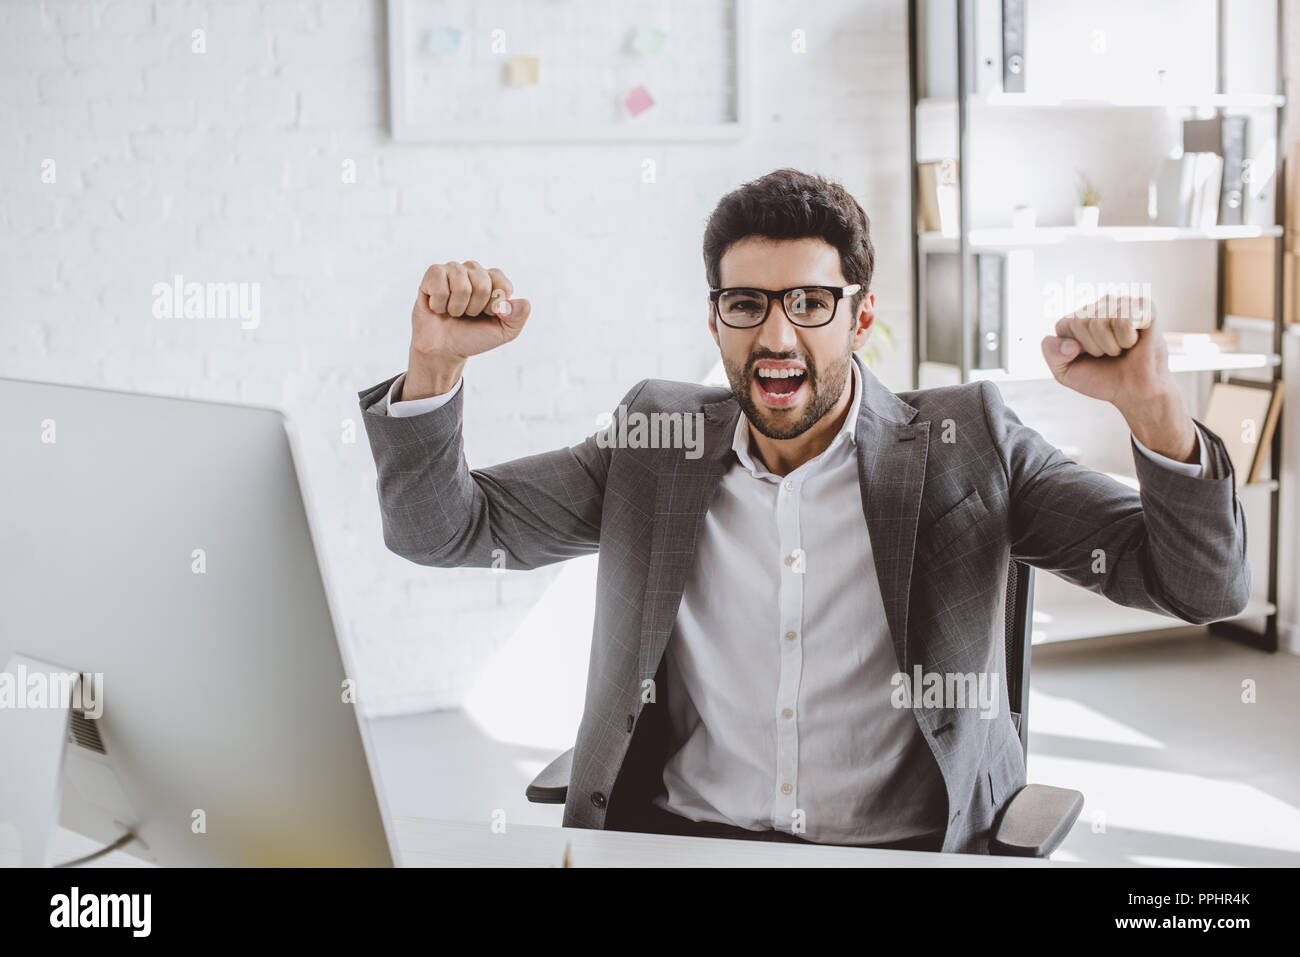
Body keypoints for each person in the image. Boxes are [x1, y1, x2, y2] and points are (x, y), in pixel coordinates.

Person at [358, 168, 1249, 854]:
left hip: (900, 853)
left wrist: (1154, 413)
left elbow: (1199, 584)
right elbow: (444, 529)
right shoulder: (653, 443)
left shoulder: (971, 443)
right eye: (746, 304)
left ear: (861, 320)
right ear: (716, 323)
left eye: (811, 303)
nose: (776, 336)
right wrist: (434, 368)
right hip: (683, 846)